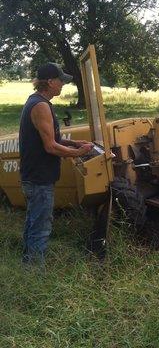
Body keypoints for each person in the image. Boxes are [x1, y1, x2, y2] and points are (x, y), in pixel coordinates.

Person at [19, 63, 93, 265]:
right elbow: (50, 147)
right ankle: (35, 272)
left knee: (33, 221)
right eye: (61, 81)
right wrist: (77, 153)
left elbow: (51, 138)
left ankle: (28, 263)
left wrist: (74, 142)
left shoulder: (37, 101)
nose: (63, 85)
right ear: (50, 82)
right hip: (39, 178)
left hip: (33, 176)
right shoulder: (41, 106)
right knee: (41, 227)